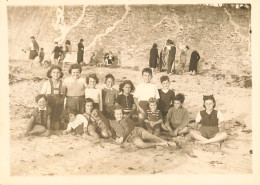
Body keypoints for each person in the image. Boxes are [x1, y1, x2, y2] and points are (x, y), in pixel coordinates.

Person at [109, 105, 176, 148]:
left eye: (120, 113)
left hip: (136, 130)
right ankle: (158, 144)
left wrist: (122, 137)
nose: (119, 115)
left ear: (123, 113)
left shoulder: (126, 119)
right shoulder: (113, 123)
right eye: (117, 114)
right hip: (131, 138)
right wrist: (116, 138)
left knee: (149, 136)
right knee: (141, 145)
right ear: (114, 114)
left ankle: (166, 142)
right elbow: (113, 134)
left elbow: (127, 129)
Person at [40, 66, 65, 130]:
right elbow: (41, 95)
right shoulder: (47, 83)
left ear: (60, 73)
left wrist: (62, 105)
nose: (56, 74)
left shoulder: (63, 84)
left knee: (56, 125)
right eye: (54, 72)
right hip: (49, 105)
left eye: (58, 72)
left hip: (58, 106)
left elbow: (63, 96)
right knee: (48, 120)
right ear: (50, 74)